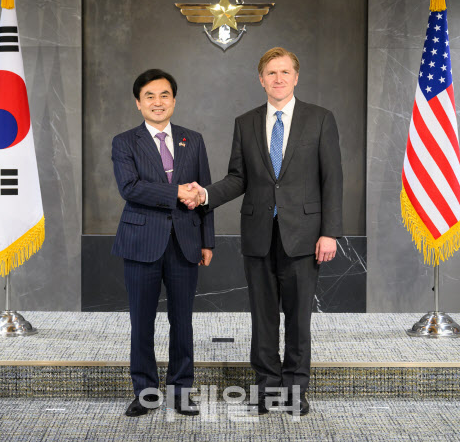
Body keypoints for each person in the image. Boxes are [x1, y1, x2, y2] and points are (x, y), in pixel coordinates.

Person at [185, 47, 342, 416]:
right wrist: (205, 194)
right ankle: (267, 387)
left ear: (296, 77)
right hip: (258, 235)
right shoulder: (246, 122)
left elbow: (332, 178)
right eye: (271, 73)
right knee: (263, 316)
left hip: (304, 236)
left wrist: (330, 232)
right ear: (261, 79)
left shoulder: (320, 119)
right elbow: (238, 178)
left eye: (285, 72)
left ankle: (295, 389)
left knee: (299, 318)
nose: (278, 78)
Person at [111, 69, 214, 417]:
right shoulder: (125, 142)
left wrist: (207, 240)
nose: (158, 102)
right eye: (150, 96)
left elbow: (204, 192)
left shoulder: (192, 140)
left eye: (164, 95)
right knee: (142, 322)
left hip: (185, 241)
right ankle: (145, 392)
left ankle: (181, 391)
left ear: (174, 100)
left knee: (182, 321)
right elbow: (130, 188)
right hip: (141, 242)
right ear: (138, 103)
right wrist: (176, 192)